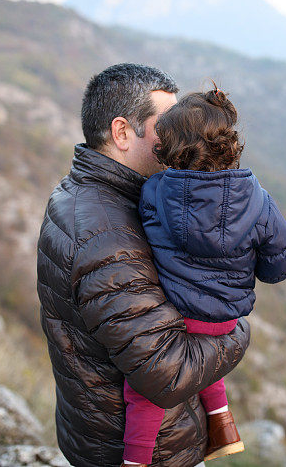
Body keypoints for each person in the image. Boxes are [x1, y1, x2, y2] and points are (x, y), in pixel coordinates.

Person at [36, 63, 251, 467]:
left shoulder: (87, 196)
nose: (179, 139)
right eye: (166, 126)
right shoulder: (106, 234)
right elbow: (166, 374)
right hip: (144, 453)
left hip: (111, 437)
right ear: (121, 133)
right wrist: (236, 325)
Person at [121, 86, 286, 466]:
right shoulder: (258, 199)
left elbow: (146, 242)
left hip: (178, 317)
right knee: (206, 362)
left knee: (146, 389)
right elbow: (279, 265)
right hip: (225, 319)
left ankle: (135, 461)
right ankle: (223, 425)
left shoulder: (154, 191)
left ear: (172, 149)